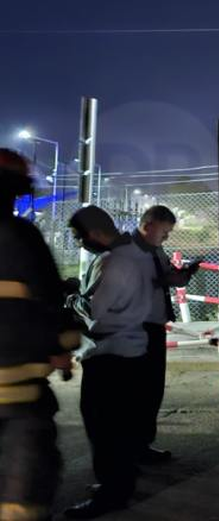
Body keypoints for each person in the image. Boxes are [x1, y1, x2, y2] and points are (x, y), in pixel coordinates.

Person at [64, 206, 158, 519]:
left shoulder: (111, 261)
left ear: (93, 232)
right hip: (132, 350)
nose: (79, 243)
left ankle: (111, 493)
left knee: (104, 429)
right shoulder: (138, 255)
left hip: (109, 354)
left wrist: (72, 298)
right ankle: (120, 484)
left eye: (79, 237)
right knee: (122, 426)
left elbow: (94, 310)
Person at [0, 149, 78, 521]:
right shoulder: (20, 235)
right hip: (17, 384)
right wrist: (63, 344)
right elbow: (48, 296)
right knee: (27, 468)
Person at [132, 205, 197, 464]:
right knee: (137, 392)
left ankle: (142, 446)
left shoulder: (155, 249)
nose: (167, 238)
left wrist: (183, 276)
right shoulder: (127, 250)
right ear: (148, 226)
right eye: (165, 232)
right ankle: (130, 449)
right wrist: (165, 280)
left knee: (152, 390)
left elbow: (166, 278)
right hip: (136, 329)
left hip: (155, 326)